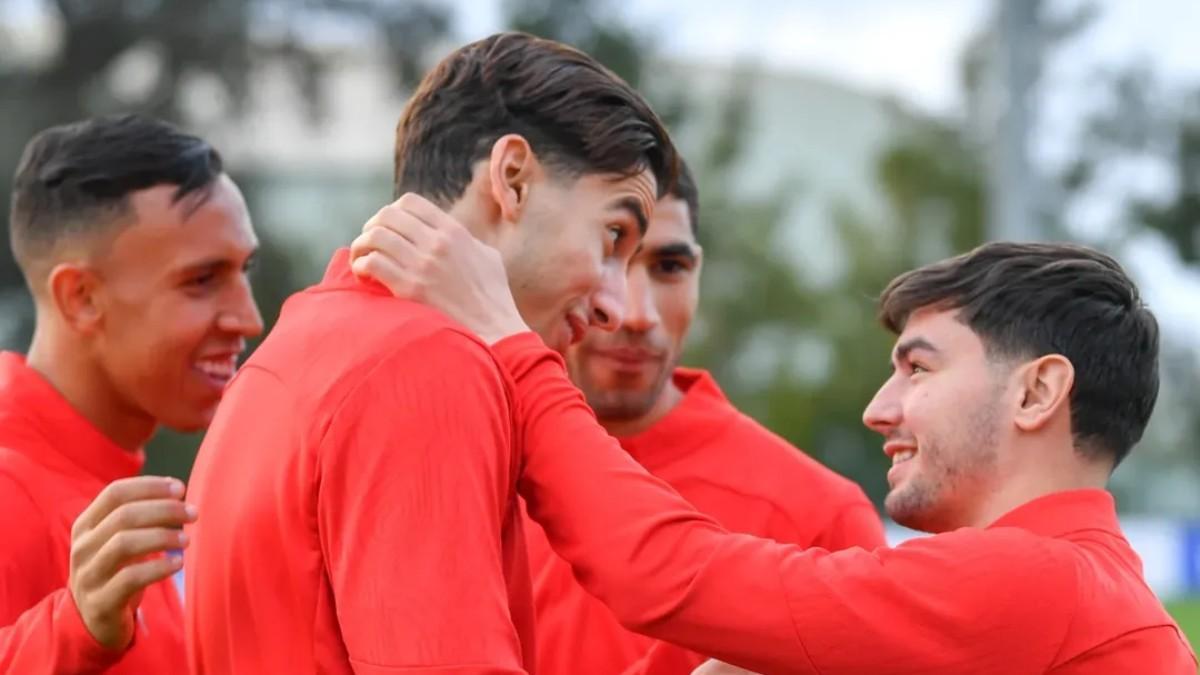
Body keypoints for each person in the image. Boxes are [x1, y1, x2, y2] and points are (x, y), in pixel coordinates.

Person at [352, 226, 1198, 673]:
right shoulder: (1076, 589)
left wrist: (505, 338)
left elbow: (666, 570)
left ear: (1038, 391)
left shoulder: (1034, 581)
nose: (879, 408)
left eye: (917, 367)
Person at [183, 31, 678, 674]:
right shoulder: (424, 362)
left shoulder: (302, 342)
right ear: (513, 179)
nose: (616, 306)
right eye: (613, 236)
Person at [523, 159, 886, 675]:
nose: (637, 312)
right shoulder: (457, 464)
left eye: (669, 267)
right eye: (607, 254)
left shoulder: (818, 517)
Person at [0, 114, 263, 673]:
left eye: (245, 270)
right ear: (81, 297)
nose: (249, 318)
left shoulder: (130, 484)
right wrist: (72, 632)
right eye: (201, 279)